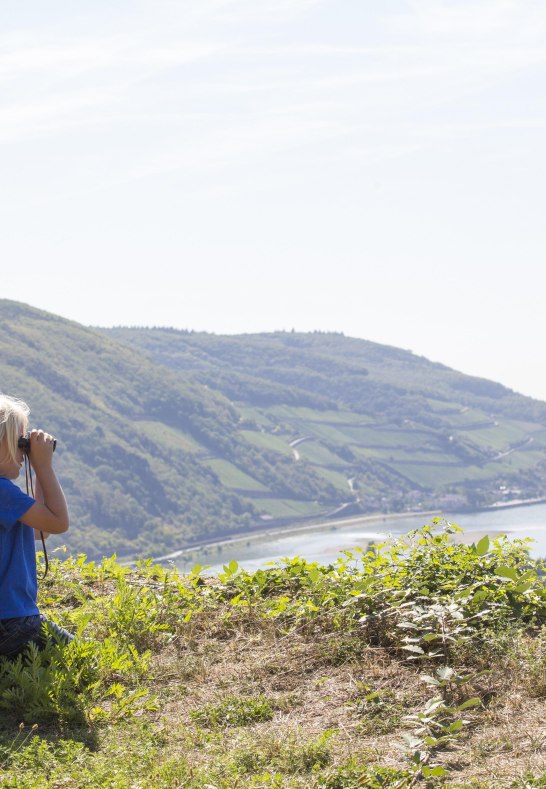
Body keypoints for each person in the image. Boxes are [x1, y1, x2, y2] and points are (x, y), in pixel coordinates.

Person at [0, 393, 73, 659]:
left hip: (9, 619)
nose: (25, 452)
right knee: (82, 656)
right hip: (13, 620)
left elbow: (41, 530)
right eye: (21, 443)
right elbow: (58, 522)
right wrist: (43, 467)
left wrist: (39, 471)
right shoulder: (3, 492)